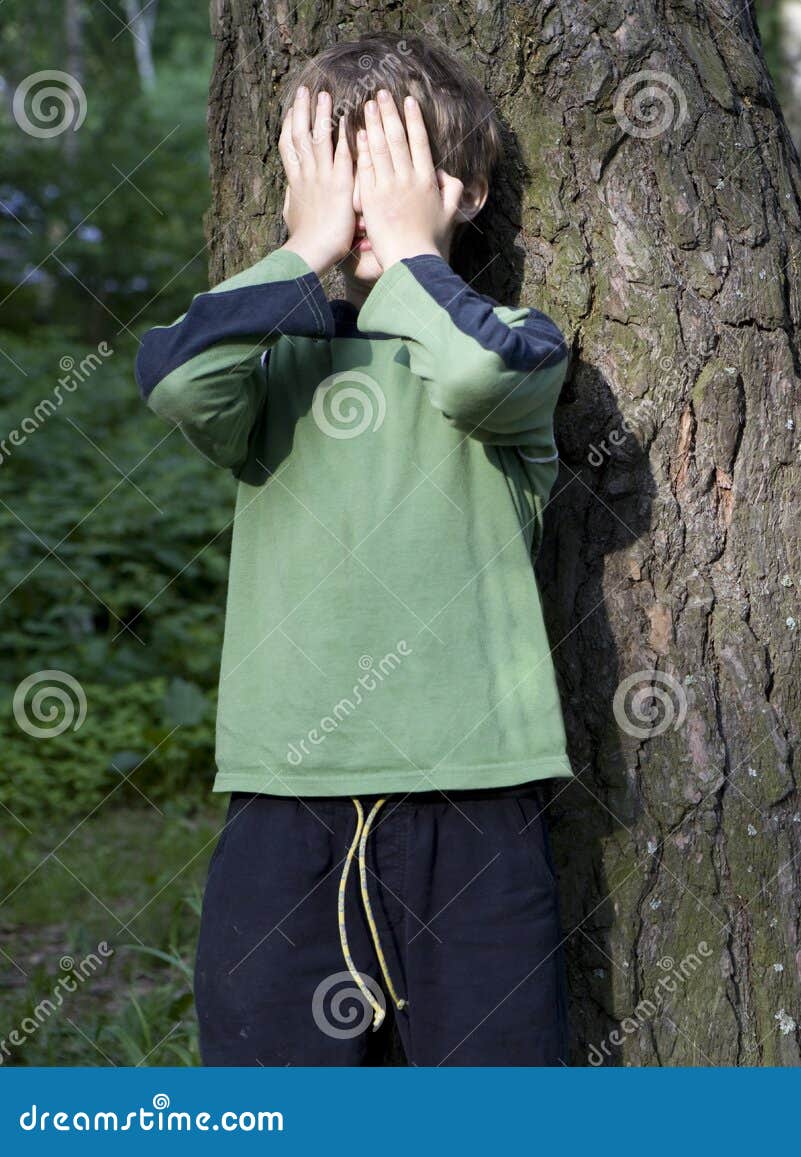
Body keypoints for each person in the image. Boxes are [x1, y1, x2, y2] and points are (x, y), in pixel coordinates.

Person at [136, 32, 572, 1065]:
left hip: (475, 803)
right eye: (340, 175)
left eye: (393, 176)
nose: (364, 205)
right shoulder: (268, 361)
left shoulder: (515, 340)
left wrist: (414, 254)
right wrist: (307, 245)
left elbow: (472, 380)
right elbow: (175, 380)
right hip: (285, 805)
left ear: (460, 193)